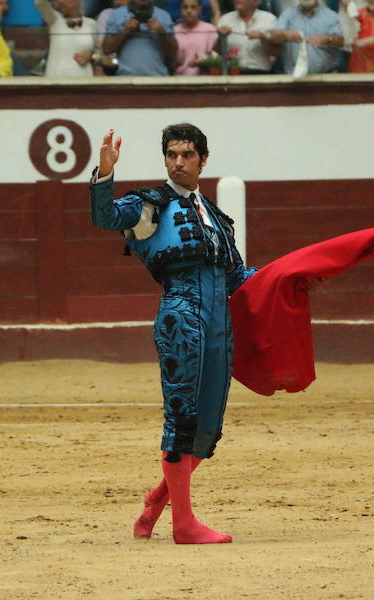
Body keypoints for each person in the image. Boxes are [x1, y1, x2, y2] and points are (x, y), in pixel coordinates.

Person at [90, 123, 256, 544]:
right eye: (171, 155)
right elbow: (106, 216)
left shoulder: (217, 217)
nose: (178, 162)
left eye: (186, 155)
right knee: (182, 416)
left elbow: (239, 275)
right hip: (181, 316)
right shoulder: (151, 205)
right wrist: (104, 174)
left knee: (208, 423)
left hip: (220, 321)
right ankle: (183, 524)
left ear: (203, 159)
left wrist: (291, 278)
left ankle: (157, 502)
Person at [268, 0, 344, 74]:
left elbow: (341, 42)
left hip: (325, 77)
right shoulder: (288, 13)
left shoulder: (331, 16)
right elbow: (272, 36)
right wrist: (286, 35)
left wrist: (327, 39)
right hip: (292, 78)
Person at [102, 0, 178, 75]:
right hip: (125, 78)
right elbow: (107, 49)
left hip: (157, 78)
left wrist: (161, 31)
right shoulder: (116, 14)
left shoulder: (164, 15)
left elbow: (173, 53)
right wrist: (125, 31)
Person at [36, 0, 101, 76]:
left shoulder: (91, 23)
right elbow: (40, 3)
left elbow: (99, 54)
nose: (62, 2)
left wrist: (91, 56)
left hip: (83, 78)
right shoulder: (54, 20)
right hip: (56, 79)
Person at [215, 0, 277, 74]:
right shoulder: (225, 19)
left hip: (261, 74)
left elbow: (275, 53)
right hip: (233, 73)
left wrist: (262, 38)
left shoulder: (269, 19)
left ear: (256, 1)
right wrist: (221, 38)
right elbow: (216, 53)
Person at [174, 0, 218, 74]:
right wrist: (176, 61)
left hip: (204, 79)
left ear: (200, 9)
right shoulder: (174, 31)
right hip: (179, 79)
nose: (189, 11)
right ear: (180, 9)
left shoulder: (210, 29)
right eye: (185, 7)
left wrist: (202, 62)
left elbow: (215, 57)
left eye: (193, 7)